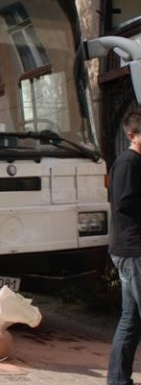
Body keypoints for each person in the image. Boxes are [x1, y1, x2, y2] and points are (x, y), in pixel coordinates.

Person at [107, 108, 141, 385]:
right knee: (132, 318)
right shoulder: (129, 162)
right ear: (132, 135)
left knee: (131, 319)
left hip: (131, 251)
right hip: (134, 251)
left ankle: (118, 380)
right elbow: (124, 202)